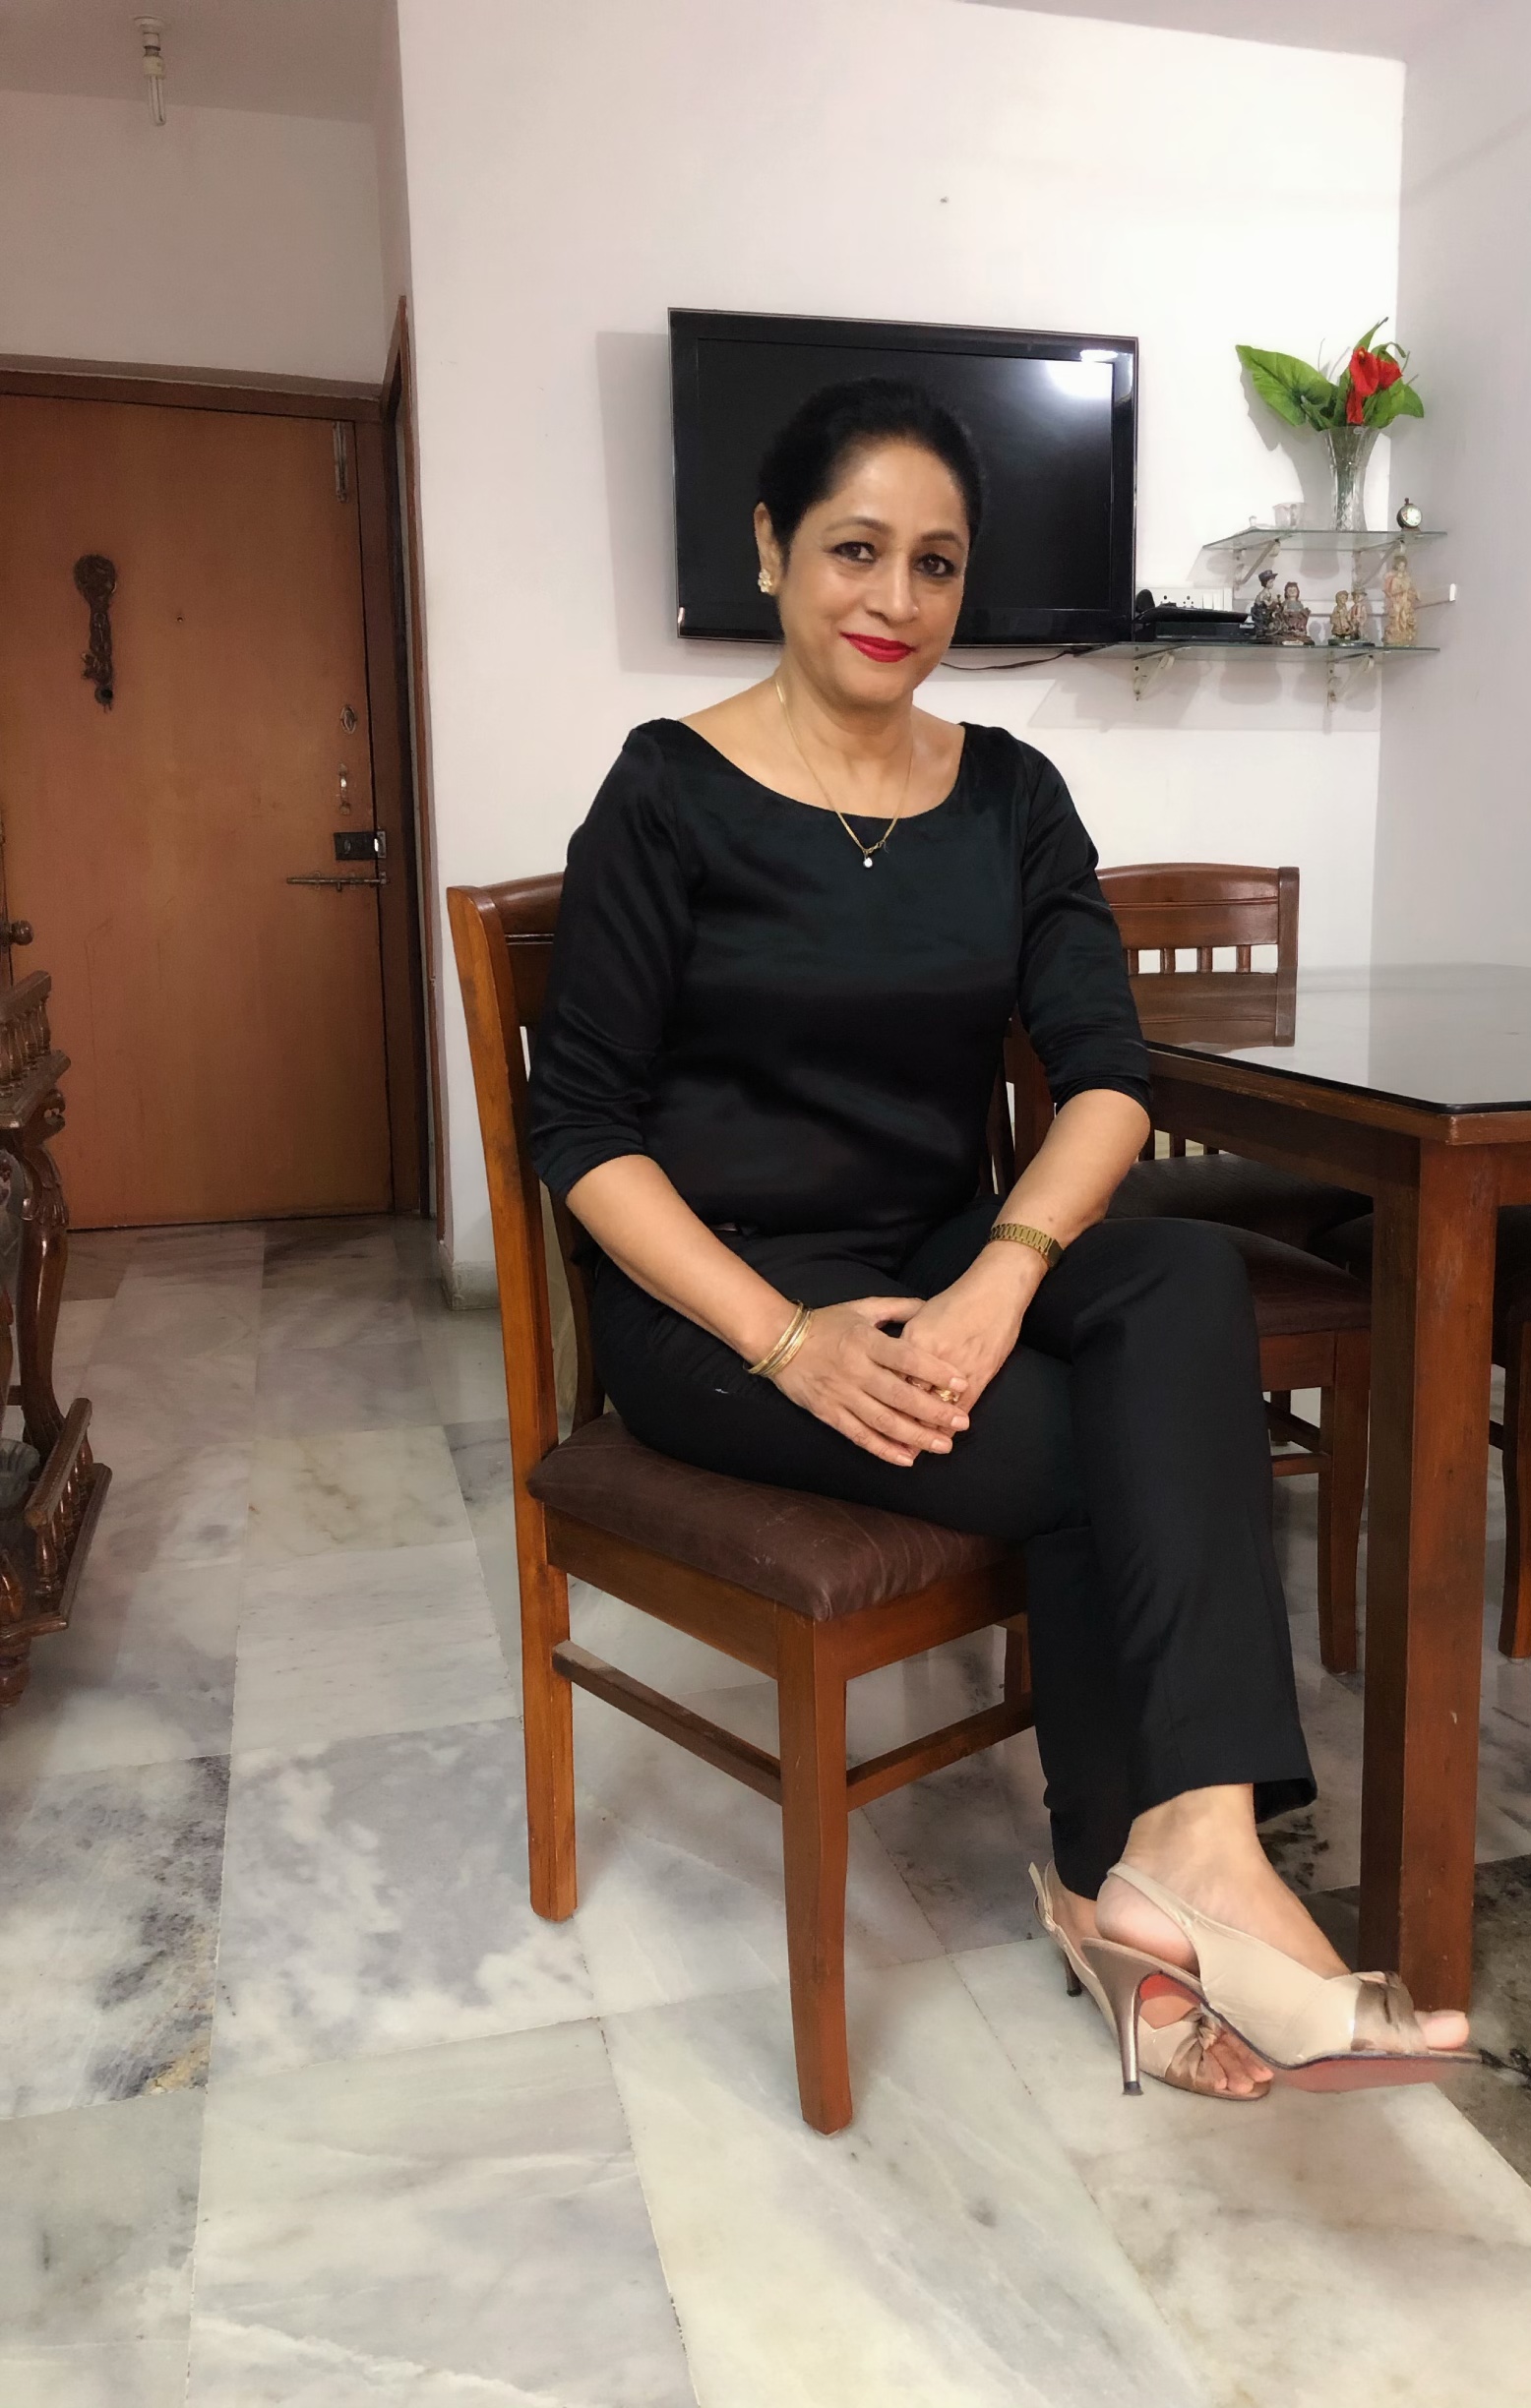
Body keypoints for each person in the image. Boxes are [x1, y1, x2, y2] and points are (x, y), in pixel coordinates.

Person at [529, 378, 1470, 2098]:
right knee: (1103, 1443)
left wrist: (1001, 1271)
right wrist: (788, 1340)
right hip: (721, 1307)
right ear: (771, 549)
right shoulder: (666, 792)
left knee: (1180, 1273)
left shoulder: (1013, 795)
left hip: (943, 1252)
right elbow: (580, 1133)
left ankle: (1183, 1851)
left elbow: (1109, 1077)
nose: (896, 599)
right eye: (855, 551)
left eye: (937, 563)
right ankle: (1147, 1877)